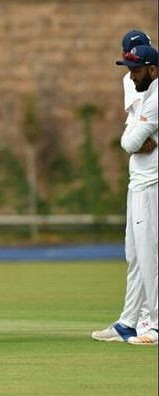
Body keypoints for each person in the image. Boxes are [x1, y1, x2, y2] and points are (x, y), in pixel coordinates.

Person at [92, 31, 154, 343]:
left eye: (136, 63)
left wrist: (138, 137)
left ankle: (149, 321)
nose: (131, 73)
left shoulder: (151, 88)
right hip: (138, 177)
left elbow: (135, 136)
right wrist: (138, 137)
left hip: (152, 180)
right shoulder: (132, 81)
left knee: (149, 253)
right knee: (134, 252)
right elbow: (133, 135)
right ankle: (130, 321)